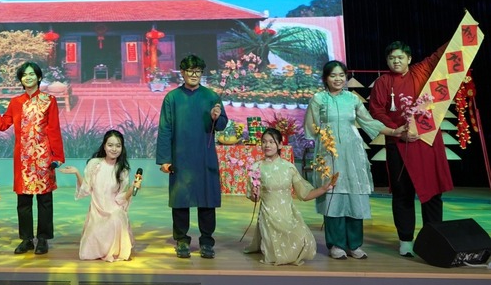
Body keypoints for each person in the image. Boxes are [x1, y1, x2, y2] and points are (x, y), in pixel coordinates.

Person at [304, 60, 407, 260]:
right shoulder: (318, 99)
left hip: (353, 153)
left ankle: (354, 244)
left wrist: (394, 131)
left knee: (354, 195)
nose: (338, 79)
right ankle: (336, 244)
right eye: (333, 75)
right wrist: (323, 144)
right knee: (333, 195)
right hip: (329, 154)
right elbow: (311, 127)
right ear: (326, 78)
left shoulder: (352, 99)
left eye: (341, 75)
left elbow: (368, 121)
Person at [368, 40, 453, 257]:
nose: (396, 61)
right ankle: (405, 240)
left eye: (400, 57)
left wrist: (464, 31)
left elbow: (439, 55)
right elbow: (377, 111)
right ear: (387, 61)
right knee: (402, 193)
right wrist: (397, 130)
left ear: (409, 59)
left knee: (432, 192)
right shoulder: (382, 82)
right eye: (391, 58)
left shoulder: (421, 71)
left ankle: (433, 238)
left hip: (426, 141)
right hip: (399, 142)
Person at [0, 61, 65, 255]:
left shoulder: (49, 100)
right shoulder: (16, 102)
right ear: (21, 79)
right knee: (24, 201)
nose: (28, 77)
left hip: (44, 157)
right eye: (24, 75)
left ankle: (43, 239)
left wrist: (58, 156)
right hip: (23, 158)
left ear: (39, 77)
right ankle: (26, 239)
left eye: (31, 74)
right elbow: (2, 124)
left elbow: (53, 129)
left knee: (45, 200)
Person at [155, 54, 228, 259]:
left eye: (198, 71)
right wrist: (165, 159)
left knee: (207, 200)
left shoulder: (211, 96)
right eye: (190, 71)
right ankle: (181, 240)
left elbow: (222, 124)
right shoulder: (172, 98)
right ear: (182, 72)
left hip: (205, 155)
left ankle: (207, 242)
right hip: (180, 156)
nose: (194, 75)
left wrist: (216, 117)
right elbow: (165, 129)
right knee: (180, 199)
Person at [244, 128, 335, 266]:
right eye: (264, 142)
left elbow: (304, 194)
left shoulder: (289, 167)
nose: (267, 145)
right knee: (276, 253)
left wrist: (324, 188)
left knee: (305, 240)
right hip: (269, 216)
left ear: (280, 145)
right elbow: (254, 198)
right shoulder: (256, 168)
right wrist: (254, 194)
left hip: (288, 215)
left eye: (271, 142)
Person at [59, 129, 140, 262]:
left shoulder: (122, 170)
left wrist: (133, 187)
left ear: (122, 148)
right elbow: (86, 189)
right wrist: (77, 173)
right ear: (104, 146)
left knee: (116, 217)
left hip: (114, 210)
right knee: (87, 254)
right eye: (110, 145)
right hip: (97, 211)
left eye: (118, 146)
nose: (114, 149)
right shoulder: (95, 164)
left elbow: (121, 198)